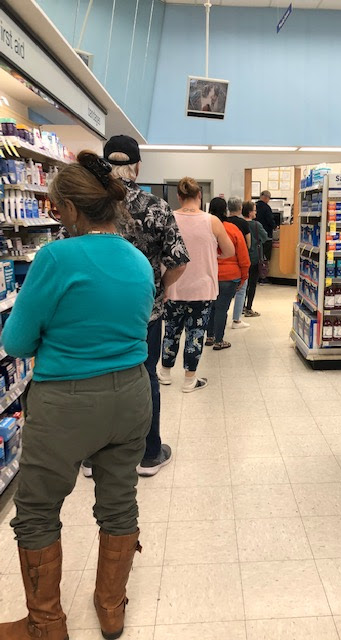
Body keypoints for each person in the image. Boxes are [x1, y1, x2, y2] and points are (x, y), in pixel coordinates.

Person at [0, 151, 155, 640]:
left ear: (69, 208)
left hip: (66, 402)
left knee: (38, 510)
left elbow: (16, 342)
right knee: (119, 501)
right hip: (131, 394)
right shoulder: (138, 259)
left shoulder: (55, 257)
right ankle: (111, 608)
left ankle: (46, 623)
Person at [101, 135, 190, 478]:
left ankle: (95, 457)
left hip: (95, 313)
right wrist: (161, 288)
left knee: (99, 377)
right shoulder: (156, 207)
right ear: (137, 166)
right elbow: (179, 260)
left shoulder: (89, 205)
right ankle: (150, 453)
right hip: (144, 312)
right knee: (145, 376)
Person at [159, 178, 234, 392]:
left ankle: (165, 373)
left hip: (173, 286)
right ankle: (189, 380)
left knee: (171, 332)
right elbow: (229, 251)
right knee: (195, 334)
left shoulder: (168, 218)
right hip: (202, 288)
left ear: (179, 197)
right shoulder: (212, 221)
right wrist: (212, 254)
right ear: (199, 195)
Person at [206, 197, 250, 350]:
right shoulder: (232, 229)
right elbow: (243, 256)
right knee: (222, 308)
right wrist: (244, 277)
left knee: (211, 307)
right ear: (225, 210)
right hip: (230, 277)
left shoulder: (204, 228)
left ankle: (209, 336)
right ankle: (219, 340)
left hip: (209, 274)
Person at [227, 196, 251, 330]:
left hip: (224, 261)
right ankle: (236, 320)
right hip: (239, 261)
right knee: (241, 290)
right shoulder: (243, 224)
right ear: (240, 208)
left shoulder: (223, 222)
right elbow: (248, 243)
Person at [242, 200, 267, 317]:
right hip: (255, 257)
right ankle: (249, 308)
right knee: (252, 284)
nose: (256, 212)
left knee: (243, 284)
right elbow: (265, 237)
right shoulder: (257, 225)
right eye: (254, 210)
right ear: (250, 212)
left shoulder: (240, 224)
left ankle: (241, 306)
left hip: (242, 257)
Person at [255, 190, 277, 282]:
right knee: (265, 257)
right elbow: (270, 220)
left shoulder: (254, 206)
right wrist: (275, 226)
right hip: (266, 236)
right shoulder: (266, 208)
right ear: (266, 198)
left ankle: (256, 276)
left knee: (257, 256)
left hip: (255, 236)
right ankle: (263, 277)